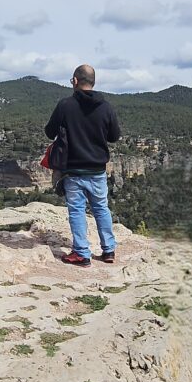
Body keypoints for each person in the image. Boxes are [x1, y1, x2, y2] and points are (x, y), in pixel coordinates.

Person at [44, 64, 121, 267]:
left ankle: (81, 253)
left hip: (73, 171)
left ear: (75, 81)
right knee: (101, 208)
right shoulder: (106, 107)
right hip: (97, 170)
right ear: (93, 82)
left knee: (77, 211)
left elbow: (49, 132)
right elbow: (114, 137)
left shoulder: (65, 105)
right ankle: (108, 250)